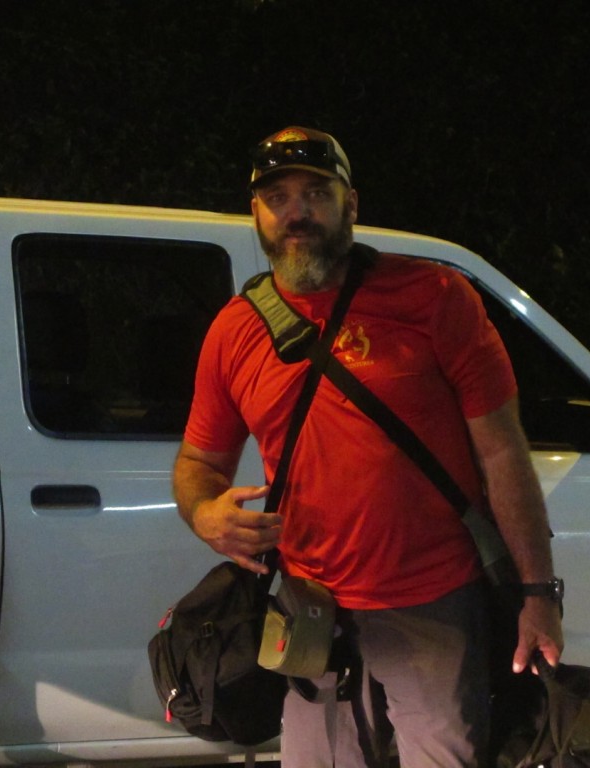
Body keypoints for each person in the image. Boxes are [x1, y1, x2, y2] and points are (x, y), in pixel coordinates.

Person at [172, 126, 564, 767]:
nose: (296, 212)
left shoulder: (434, 298)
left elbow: (503, 454)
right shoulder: (235, 331)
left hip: (432, 606)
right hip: (309, 616)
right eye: (277, 197)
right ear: (257, 213)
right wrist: (204, 513)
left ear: (350, 204)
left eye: (315, 193)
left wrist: (538, 594)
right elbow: (198, 464)